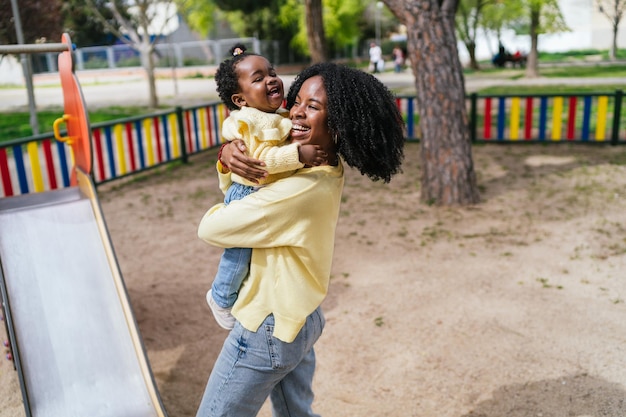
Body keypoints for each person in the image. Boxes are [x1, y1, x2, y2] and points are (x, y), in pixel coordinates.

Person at [196, 62, 405, 417]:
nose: (296, 112)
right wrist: (227, 155)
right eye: (297, 101)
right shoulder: (320, 165)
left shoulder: (301, 189)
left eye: (314, 106)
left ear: (338, 123)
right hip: (302, 317)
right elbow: (260, 151)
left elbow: (212, 228)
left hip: (268, 326)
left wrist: (233, 174)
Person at [207, 45, 326, 330]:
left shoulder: (277, 115)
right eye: (258, 79)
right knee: (238, 255)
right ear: (240, 99)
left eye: (272, 72)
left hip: (260, 190)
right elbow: (261, 160)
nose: (271, 80)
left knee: (254, 254)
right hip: (248, 192)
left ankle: (245, 293)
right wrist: (298, 156)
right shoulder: (249, 121)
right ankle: (221, 297)